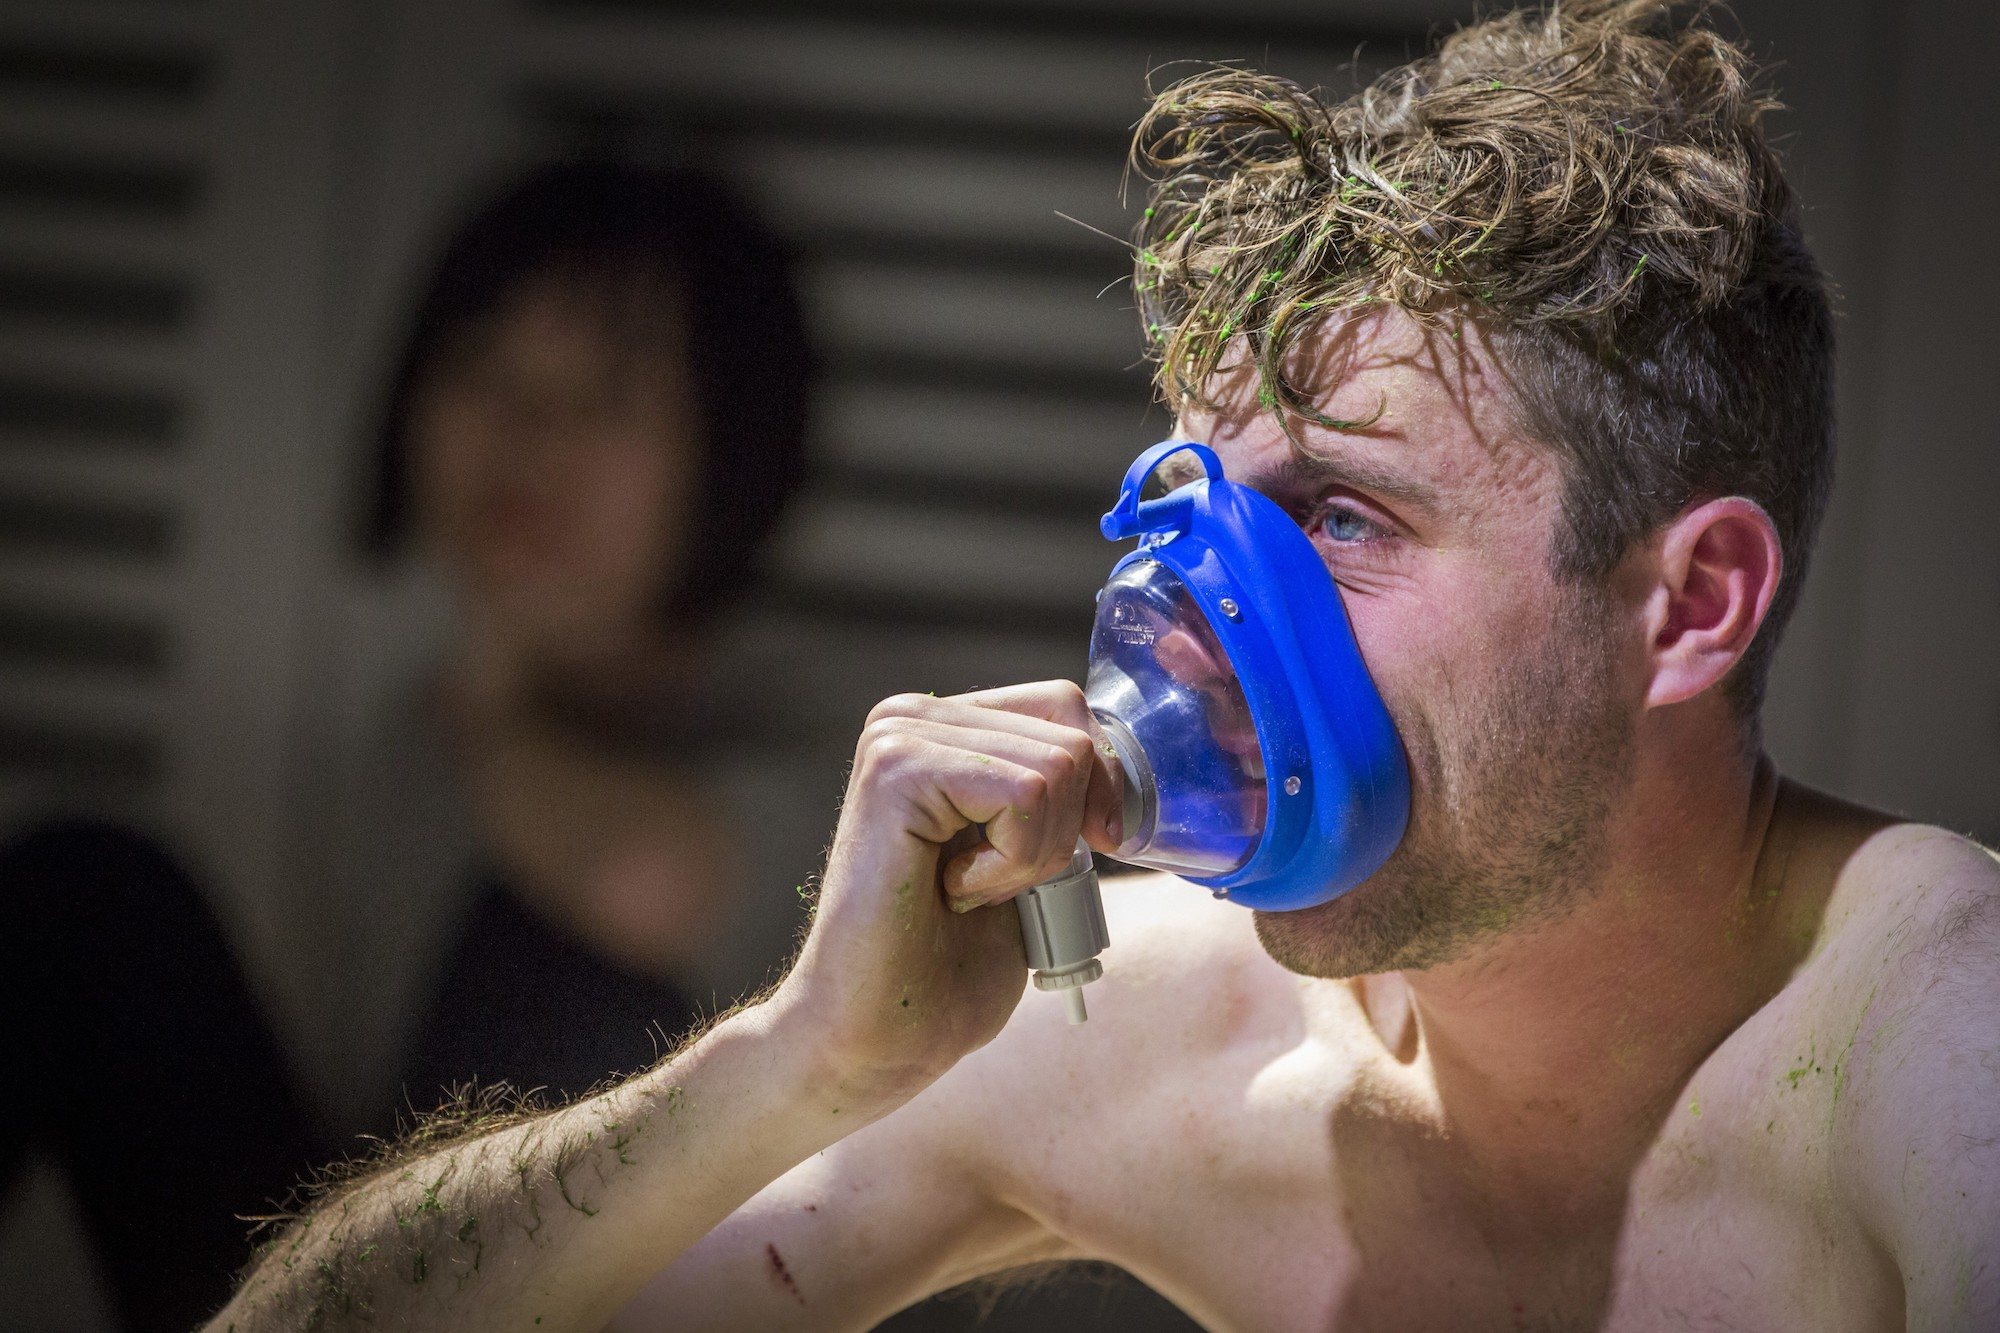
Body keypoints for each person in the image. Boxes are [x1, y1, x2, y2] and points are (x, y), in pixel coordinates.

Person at [209, 4, 1999, 1329]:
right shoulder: (1149, 1026)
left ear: (1691, 606)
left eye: (1347, 518)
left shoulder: (1930, 1042)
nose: (1216, 607)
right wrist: (797, 1062)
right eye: (1198, 509)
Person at [330, 159, 825, 1113]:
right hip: (383, 1240)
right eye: (486, 370)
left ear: (727, 449)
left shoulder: (843, 721)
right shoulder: (413, 738)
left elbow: (638, 885)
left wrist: (493, 702)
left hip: (691, 1252)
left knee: (547, 942)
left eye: (606, 397)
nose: (531, 439)